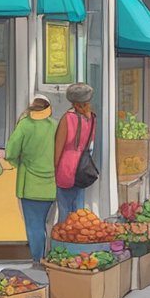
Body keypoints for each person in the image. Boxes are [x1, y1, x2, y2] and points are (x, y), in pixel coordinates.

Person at [5, 94, 57, 263]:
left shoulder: (25, 125)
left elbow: (10, 152)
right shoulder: (55, 125)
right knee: (50, 225)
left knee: (34, 226)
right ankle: (52, 260)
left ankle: (37, 260)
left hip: (30, 186)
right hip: (53, 185)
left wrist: (18, 162)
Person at [53, 83, 96, 222]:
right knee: (78, 210)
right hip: (83, 166)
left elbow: (59, 145)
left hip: (66, 165)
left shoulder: (67, 118)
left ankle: (63, 241)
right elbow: (90, 141)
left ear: (74, 102)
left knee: (64, 209)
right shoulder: (92, 118)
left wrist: (54, 166)